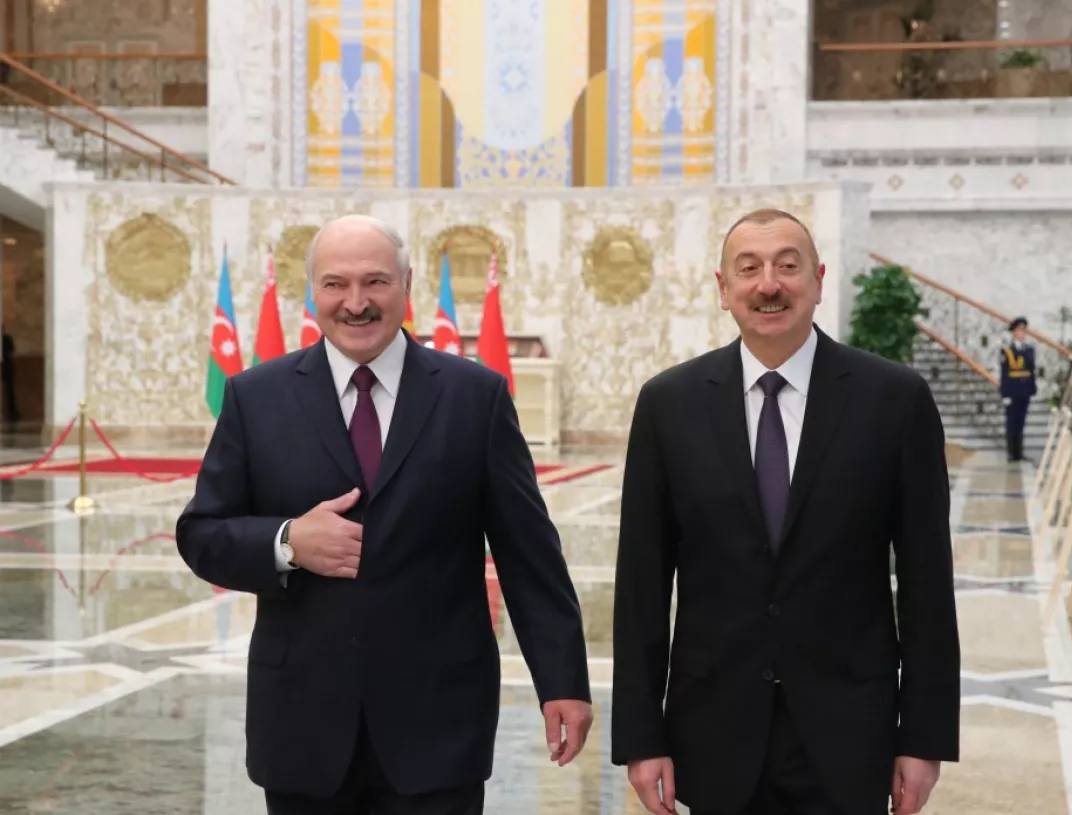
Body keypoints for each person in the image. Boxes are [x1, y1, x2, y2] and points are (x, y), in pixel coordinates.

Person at [176, 214, 593, 815]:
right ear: (313, 291)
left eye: (375, 281)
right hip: (302, 725)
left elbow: (530, 557)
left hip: (439, 724)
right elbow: (201, 534)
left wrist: (563, 683)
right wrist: (288, 542)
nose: (355, 303)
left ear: (406, 284)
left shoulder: (475, 397)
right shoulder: (256, 397)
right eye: (335, 284)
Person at [610, 208, 960, 815]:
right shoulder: (668, 405)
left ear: (818, 281)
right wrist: (641, 738)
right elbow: (641, 586)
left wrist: (923, 740)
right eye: (748, 269)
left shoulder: (894, 401)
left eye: (787, 266)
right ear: (723, 289)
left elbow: (928, 584)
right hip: (713, 735)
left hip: (850, 735)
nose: (768, 284)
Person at [999, 316, 1037, 462]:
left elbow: (1031, 371)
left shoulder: (1029, 349)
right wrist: (1005, 394)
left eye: (1024, 330)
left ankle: (1019, 453)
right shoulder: (1007, 350)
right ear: (1014, 332)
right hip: (1012, 391)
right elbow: (1004, 374)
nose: (1022, 333)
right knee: (1011, 422)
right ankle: (1011, 452)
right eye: (1020, 330)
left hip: (1024, 391)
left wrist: (1032, 388)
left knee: (1021, 423)